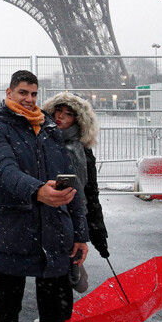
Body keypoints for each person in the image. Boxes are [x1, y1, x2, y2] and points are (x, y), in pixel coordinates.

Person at [0, 70, 89, 322]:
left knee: (54, 314)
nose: (29, 99)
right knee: (7, 310)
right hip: (14, 231)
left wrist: (80, 233)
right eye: (23, 93)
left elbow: (71, 184)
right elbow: (4, 171)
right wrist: (37, 191)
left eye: (33, 94)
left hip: (54, 233)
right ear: (9, 93)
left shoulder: (50, 131)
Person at [42, 92, 109, 262]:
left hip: (72, 215)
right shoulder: (41, 141)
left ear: (78, 120)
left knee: (66, 271)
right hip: (46, 213)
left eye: (69, 114)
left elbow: (90, 192)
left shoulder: (83, 150)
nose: (61, 116)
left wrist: (97, 234)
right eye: (58, 110)